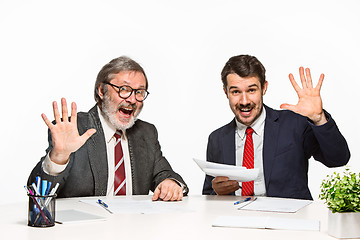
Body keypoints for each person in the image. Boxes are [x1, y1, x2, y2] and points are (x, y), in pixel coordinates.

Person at [28, 56, 188, 201]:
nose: (132, 99)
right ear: (101, 91)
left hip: (135, 228)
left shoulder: (146, 133)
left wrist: (170, 183)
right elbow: (37, 193)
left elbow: (164, 173)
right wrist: (58, 157)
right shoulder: (73, 129)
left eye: (139, 92)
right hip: (83, 230)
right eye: (124, 89)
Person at [202, 54, 350, 200]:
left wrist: (319, 119)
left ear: (264, 88)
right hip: (236, 219)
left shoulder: (294, 124)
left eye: (251, 90)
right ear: (225, 92)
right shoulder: (217, 139)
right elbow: (208, 196)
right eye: (236, 92)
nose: (244, 101)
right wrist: (217, 193)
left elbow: (337, 159)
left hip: (289, 219)